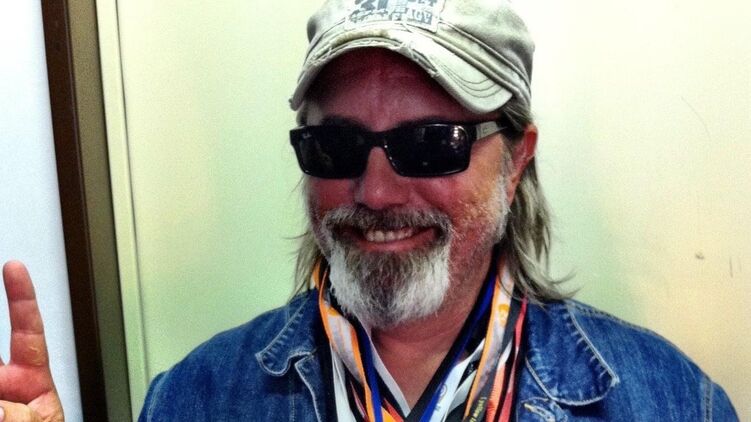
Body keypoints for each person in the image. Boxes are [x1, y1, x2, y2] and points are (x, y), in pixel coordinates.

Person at [0, 0, 739, 420]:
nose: (376, 192)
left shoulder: (672, 402)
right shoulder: (196, 398)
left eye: (431, 142)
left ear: (516, 160)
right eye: (337, 145)